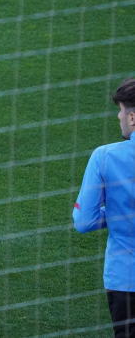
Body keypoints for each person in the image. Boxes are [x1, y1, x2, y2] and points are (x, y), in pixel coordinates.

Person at [73, 78, 135, 337]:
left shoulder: (105, 156)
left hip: (126, 280)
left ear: (132, 118)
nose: (119, 117)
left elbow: (84, 222)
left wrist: (116, 213)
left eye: (120, 111)